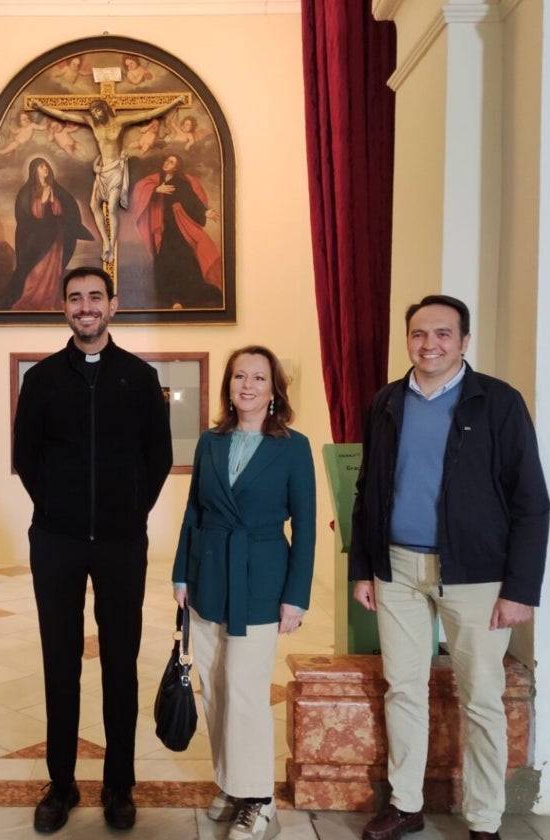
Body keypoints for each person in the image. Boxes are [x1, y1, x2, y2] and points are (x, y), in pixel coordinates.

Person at [349, 295, 550, 840]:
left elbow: (531, 499)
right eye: (418, 334)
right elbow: (368, 490)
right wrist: (362, 568)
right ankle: (406, 805)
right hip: (397, 568)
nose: (428, 344)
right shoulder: (387, 402)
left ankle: (484, 820)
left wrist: (520, 587)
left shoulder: (498, 403)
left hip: (477, 575)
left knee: (481, 697)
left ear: (464, 342)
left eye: (442, 334)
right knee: (404, 688)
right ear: (407, 339)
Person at [12, 266, 173, 833]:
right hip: (55, 542)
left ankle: (118, 785)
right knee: (60, 663)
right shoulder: (42, 380)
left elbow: (157, 458)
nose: (86, 306)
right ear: (63, 308)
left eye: (95, 297)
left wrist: (128, 512)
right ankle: (60, 784)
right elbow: (26, 458)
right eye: (76, 298)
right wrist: (57, 508)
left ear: (113, 305)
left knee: (120, 664)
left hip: (121, 544)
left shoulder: (139, 377)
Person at [172, 346, 316, 840]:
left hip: (260, 576)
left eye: (258, 377)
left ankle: (260, 799)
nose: (247, 386)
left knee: (246, 689)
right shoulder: (211, 442)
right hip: (208, 572)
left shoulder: (293, 446)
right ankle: (233, 784)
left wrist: (296, 595)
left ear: (274, 389)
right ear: (228, 386)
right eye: (239, 377)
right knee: (214, 686)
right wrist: (179, 576)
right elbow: (193, 512)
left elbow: (308, 527)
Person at [26, 94, 189, 263]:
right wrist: (40, 107)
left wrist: (174, 103)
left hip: (115, 171)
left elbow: (148, 115)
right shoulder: (91, 123)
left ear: (104, 110)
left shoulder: (119, 122)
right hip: (102, 171)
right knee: (93, 205)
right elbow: (64, 116)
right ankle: (106, 243)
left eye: (98, 111)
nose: (95, 114)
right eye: (93, 112)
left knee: (111, 209)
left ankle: (111, 244)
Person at [0, 157, 94, 312]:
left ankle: (48, 300)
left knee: (52, 272)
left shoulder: (55, 189)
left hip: (55, 237)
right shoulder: (27, 192)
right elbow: (30, 217)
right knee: (36, 271)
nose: (45, 168)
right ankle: (31, 299)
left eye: (46, 166)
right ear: (35, 170)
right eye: (42, 166)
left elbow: (63, 211)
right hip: (37, 240)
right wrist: (42, 199)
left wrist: (53, 200)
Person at [131, 154, 224, 309]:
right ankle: (170, 299)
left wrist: (204, 212)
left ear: (176, 167)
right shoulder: (155, 180)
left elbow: (192, 201)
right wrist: (156, 190)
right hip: (161, 229)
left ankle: (181, 299)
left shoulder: (180, 183)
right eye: (167, 160)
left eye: (172, 162)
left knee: (183, 262)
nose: (168, 163)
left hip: (177, 229)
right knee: (164, 262)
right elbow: (141, 193)